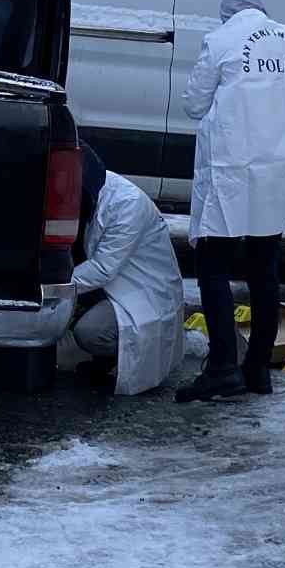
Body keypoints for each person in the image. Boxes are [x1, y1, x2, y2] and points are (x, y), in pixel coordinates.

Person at [175, 0, 285, 404]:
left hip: (234, 171)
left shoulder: (221, 42)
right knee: (263, 269)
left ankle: (221, 370)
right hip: (279, 171)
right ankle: (257, 370)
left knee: (213, 265)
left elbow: (193, 104)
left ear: (227, 17)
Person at [69, 141, 186, 395]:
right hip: (114, 286)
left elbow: (103, 269)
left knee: (90, 332)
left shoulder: (127, 204)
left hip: (143, 294)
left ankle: (114, 359)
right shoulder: (94, 188)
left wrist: (50, 286)